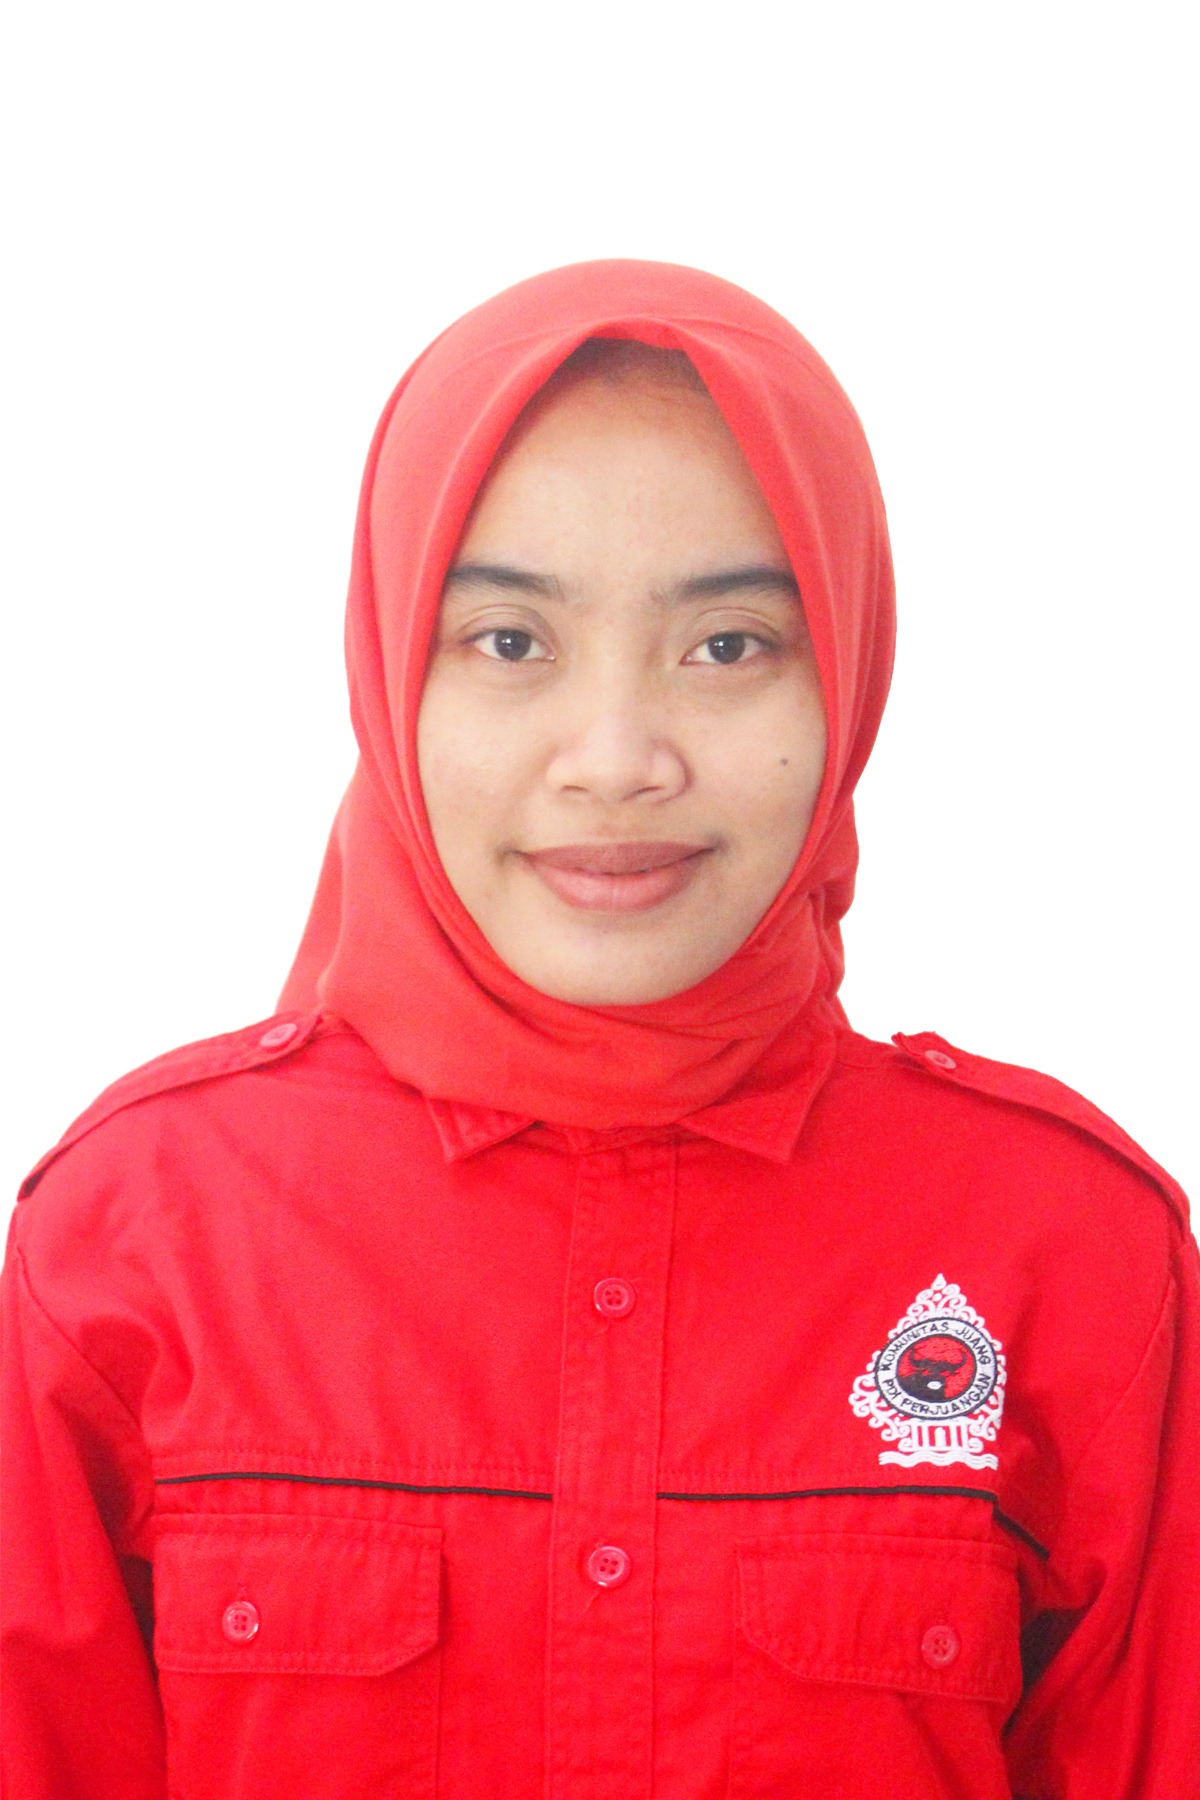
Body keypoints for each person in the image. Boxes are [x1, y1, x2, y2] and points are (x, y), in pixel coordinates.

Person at [2, 260, 1196, 1800]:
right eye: (511, 642)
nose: (619, 758)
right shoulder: (138, 1236)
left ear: (848, 673)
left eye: (727, 646)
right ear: (390, 669)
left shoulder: (1069, 1252)